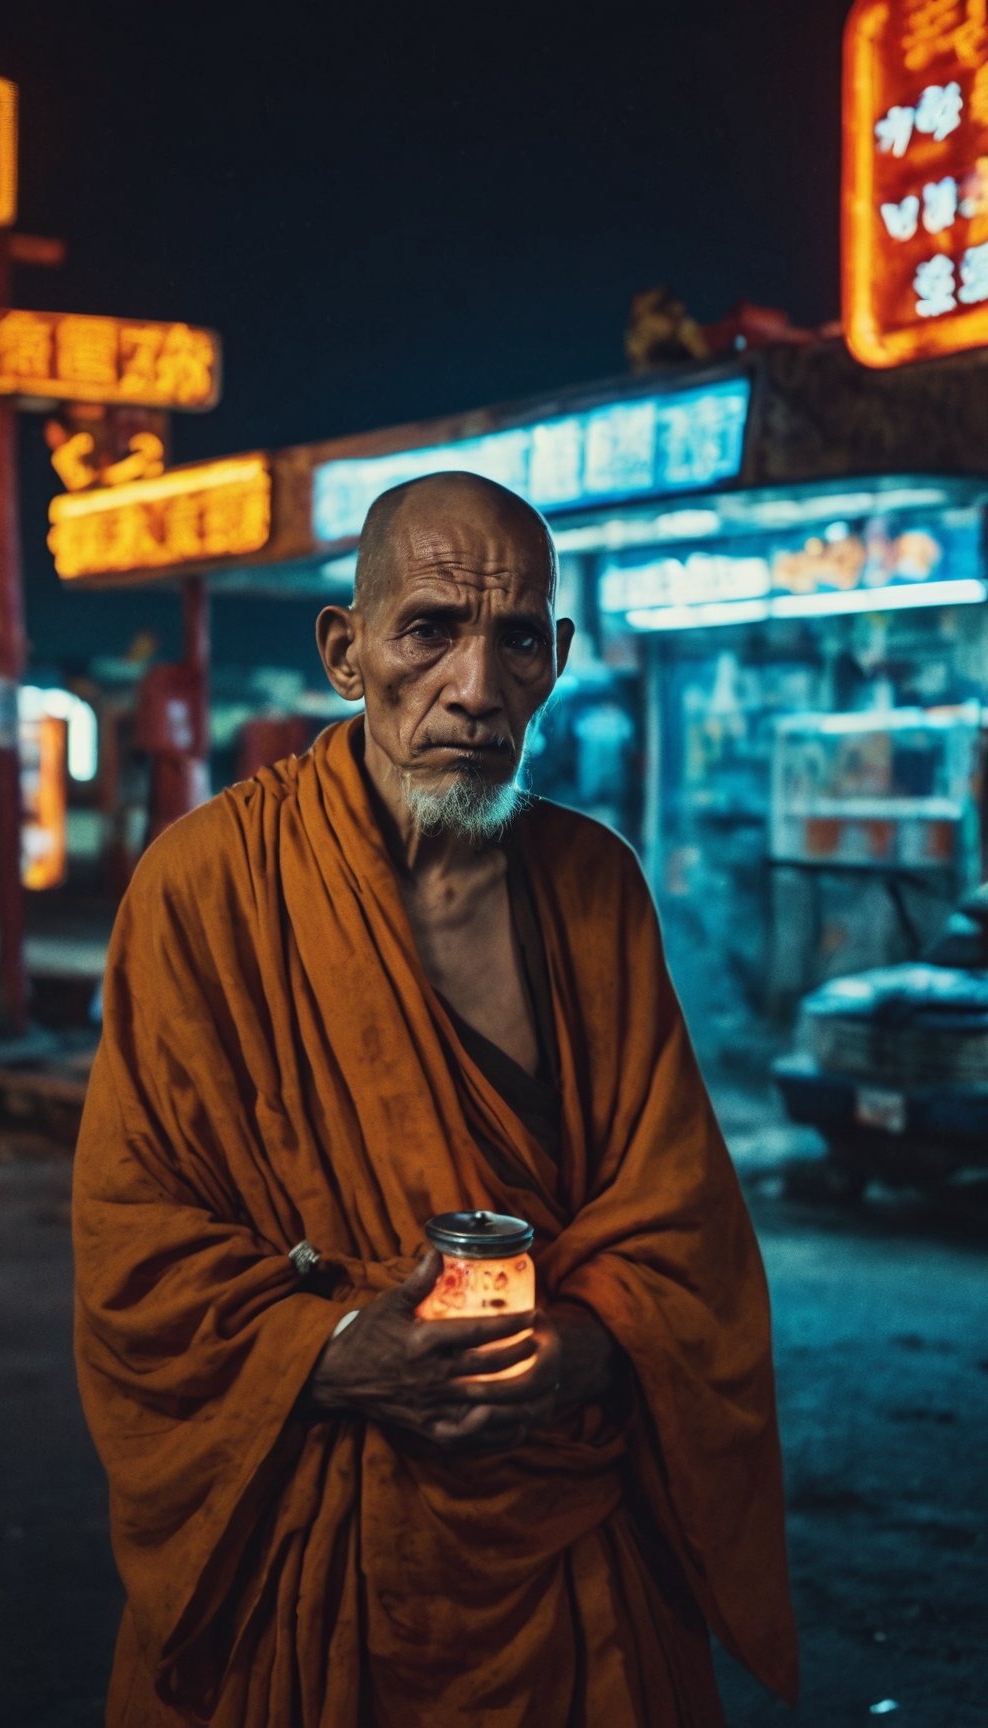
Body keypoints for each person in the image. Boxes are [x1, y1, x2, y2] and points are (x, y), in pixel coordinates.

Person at [73, 471, 798, 1728]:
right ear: (345, 653)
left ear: (557, 660)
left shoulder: (595, 885)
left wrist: (579, 1354)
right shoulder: (206, 888)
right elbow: (135, 1255)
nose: (475, 690)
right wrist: (347, 1354)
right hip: (317, 1556)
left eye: (516, 638)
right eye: (429, 632)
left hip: (566, 1537)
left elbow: (681, 1222)